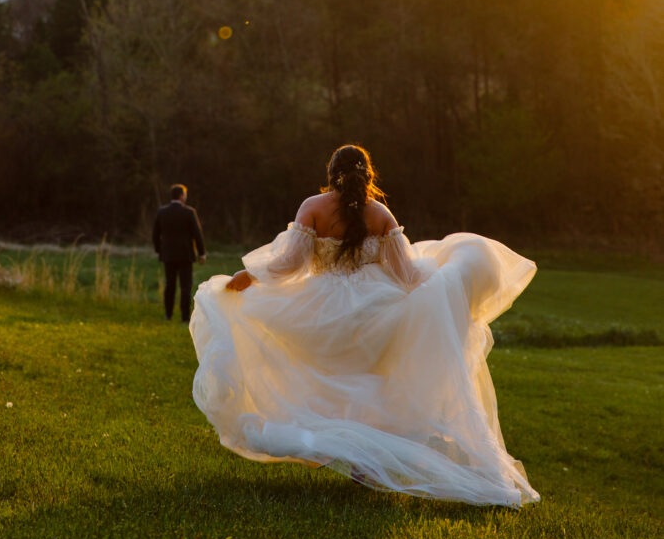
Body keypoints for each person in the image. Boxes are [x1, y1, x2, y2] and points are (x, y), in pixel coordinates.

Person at [189, 145, 540, 506]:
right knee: (372, 384)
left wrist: (247, 276)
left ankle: (338, 446)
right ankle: (366, 463)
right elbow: (405, 275)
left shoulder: (313, 207)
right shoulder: (381, 214)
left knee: (327, 379)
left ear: (331, 173)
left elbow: (289, 265)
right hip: (375, 313)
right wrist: (446, 283)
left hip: (321, 314)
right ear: (368, 174)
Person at [153, 184, 206, 322]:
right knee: (185, 287)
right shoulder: (189, 212)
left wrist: (160, 250)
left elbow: (155, 234)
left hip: (168, 255)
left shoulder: (161, 212)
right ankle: (185, 317)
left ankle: (168, 315)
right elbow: (197, 234)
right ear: (182, 196)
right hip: (185, 255)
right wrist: (202, 253)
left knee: (169, 285)